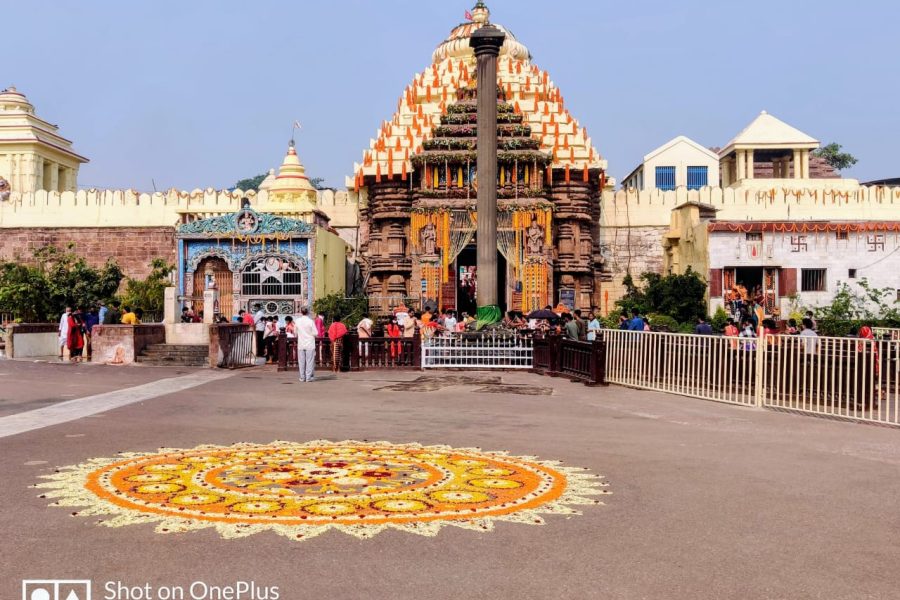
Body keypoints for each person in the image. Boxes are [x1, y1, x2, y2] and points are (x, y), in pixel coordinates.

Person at [296, 307, 317, 382]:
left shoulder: (297, 321)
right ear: (308, 312)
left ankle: (302, 377)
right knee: (310, 361)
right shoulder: (310, 321)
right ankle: (308, 377)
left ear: (301, 312)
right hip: (310, 343)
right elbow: (315, 333)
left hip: (301, 343)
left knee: (301, 361)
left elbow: (295, 332)